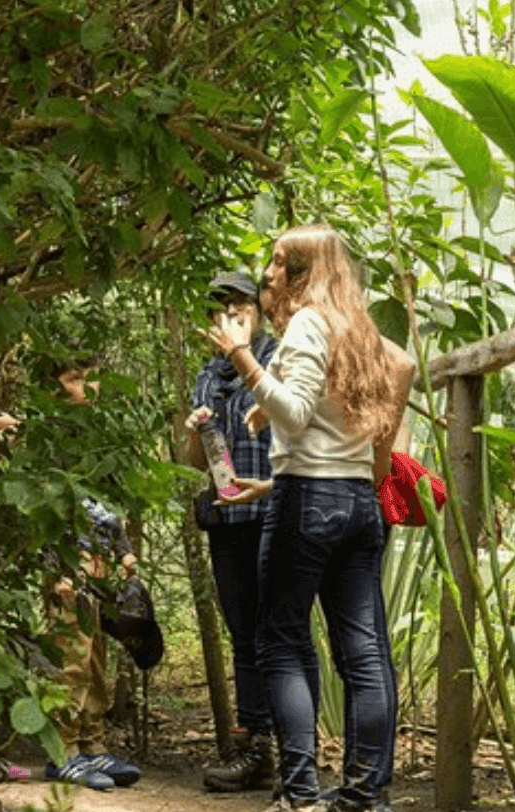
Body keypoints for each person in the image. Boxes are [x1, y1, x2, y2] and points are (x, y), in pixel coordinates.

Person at [203, 224, 415, 812]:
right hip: (356, 503)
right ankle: (363, 797)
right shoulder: (359, 328)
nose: (267, 274)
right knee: (365, 653)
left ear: (301, 274)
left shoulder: (307, 324)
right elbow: (402, 367)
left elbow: (293, 414)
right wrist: (271, 481)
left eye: (277, 263)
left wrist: (242, 356)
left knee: (282, 641)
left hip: (310, 502)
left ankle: (300, 796)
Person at [179, 270, 279, 794]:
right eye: (221, 308)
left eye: (240, 304)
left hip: (272, 510)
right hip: (227, 517)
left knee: (278, 629)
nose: (231, 314)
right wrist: (196, 429)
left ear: (259, 310)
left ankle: (291, 750)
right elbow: (193, 460)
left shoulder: (279, 358)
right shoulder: (208, 375)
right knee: (243, 630)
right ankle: (254, 748)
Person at [38, 360, 144, 791]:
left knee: (99, 656)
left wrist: (124, 554)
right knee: (70, 656)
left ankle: (91, 744)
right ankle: (60, 750)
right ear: (56, 387)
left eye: (92, 375)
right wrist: (53, 568)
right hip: (69, 560)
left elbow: (112, 507)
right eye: (76, 378)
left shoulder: (101, 439)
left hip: (102, 563)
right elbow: (40, 511)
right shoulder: (49, 439)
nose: (89, 386)